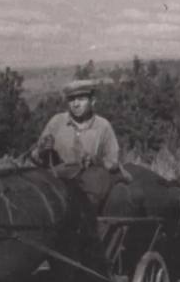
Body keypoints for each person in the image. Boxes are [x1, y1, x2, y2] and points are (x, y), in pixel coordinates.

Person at [34, 79, 127, 209]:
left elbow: (113, 161)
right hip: (58, 183)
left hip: (91, 187)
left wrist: (95, 161)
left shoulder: (103, 126)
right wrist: (42, 150)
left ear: (92, 101)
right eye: (71, 100)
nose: (75, 104)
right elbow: (36, 157)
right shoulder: (56, 122)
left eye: (81, 99)